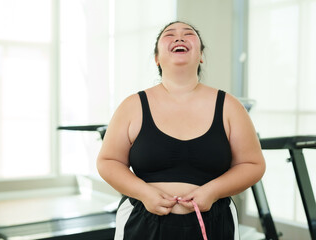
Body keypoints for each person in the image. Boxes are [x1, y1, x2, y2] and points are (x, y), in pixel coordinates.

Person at [97, 21, 266, 240]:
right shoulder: (132, 105)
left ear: (201, 55)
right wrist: (144, 193)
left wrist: (212, 191)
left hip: (214, 222)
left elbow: (253, 164)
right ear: (157, 58)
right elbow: (108, 161)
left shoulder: (229, 106)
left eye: (188, 34)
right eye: (169, 35)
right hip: (142, 223)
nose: (179, 37)